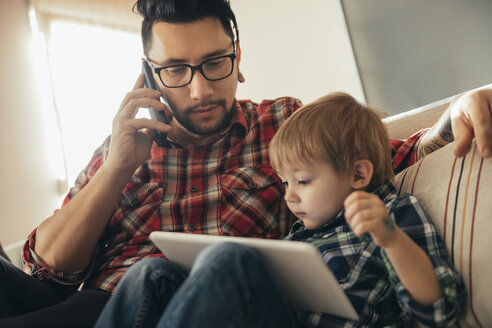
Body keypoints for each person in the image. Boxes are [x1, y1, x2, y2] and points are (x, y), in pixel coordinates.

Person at [0, 0, 488, 326]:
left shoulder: (284, 126)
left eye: (215, 63)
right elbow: (46, 270)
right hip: (98, 305)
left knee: (176, 269)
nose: (200, 88)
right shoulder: (120, 146)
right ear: (149, 73)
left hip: (202, 299)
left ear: (237, 55)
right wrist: (117, 167)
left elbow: (381, 154)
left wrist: (458, 109)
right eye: (175, 70)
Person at [95, 93, 465, 328]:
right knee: (152, 272)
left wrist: (391, 240)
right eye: (285, 183)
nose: (289, 197)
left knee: (232, 259)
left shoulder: (395, 215)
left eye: (302, 181)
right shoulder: (301, 235)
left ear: (358, 173)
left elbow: (437, 311)